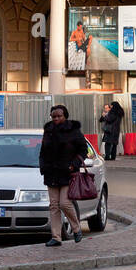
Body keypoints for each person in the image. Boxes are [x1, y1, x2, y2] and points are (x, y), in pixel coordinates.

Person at [39, 104, 87, 246]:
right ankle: (56, 237)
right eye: (54, 116)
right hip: (51, 172)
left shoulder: (74, 130)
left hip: (68, 172)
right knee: (53, 205)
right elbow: (42, 151)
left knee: (64, 203)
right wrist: (43, 166)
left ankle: (77, 228)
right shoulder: (48, 131)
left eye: (59, 116)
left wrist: (74, 164)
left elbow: (83, 150)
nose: (56, 118)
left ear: (65, 116)